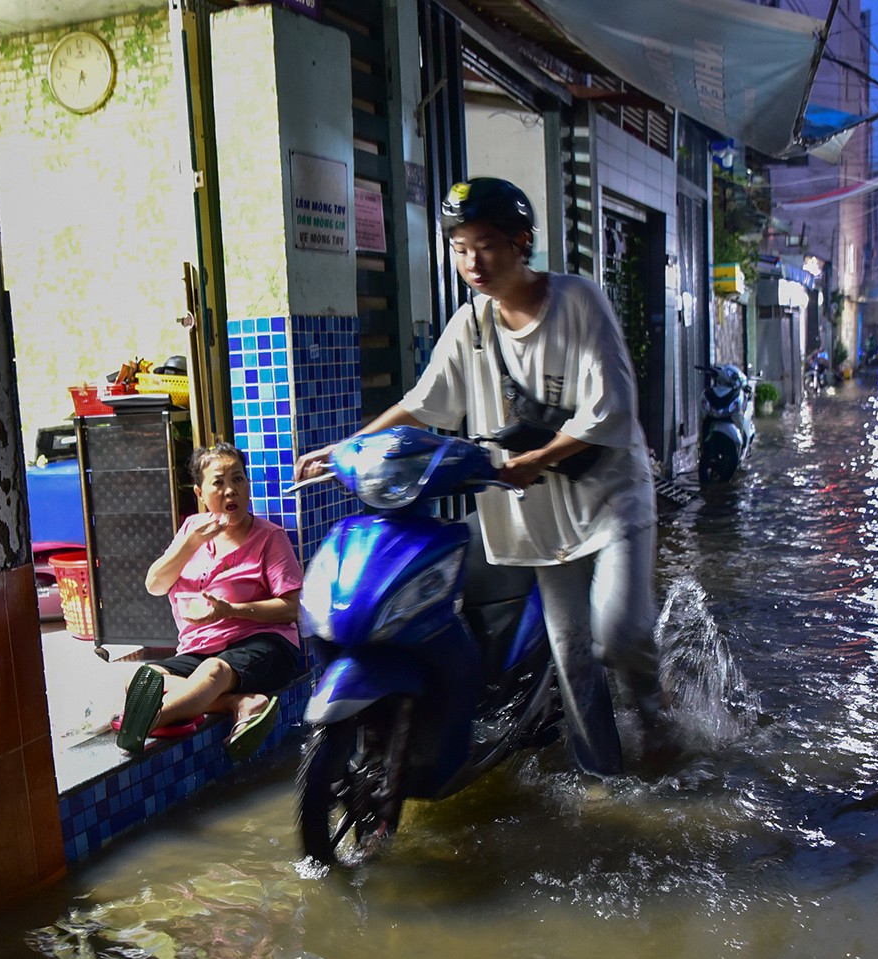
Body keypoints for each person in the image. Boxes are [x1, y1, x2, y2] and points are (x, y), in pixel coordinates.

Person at [297, 177, 664, 777]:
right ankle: (606, 776)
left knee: (617, 634)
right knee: (573, 657)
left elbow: (612, 408)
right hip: (538, 518)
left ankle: (656, 721)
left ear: (523, 242)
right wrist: (347, 445)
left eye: (487, 245)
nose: (473, 262)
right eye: (461, 247)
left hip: (609, 499)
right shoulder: (470, 326)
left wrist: (533, 461)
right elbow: (424, 403)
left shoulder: (579, 302)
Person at [116, 443, 303, 762]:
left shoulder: (269, 537)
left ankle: (145, 724)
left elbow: (292, 607)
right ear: (200, 492)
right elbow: (156, 584)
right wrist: (189, 544)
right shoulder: (191, 529)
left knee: (213, 671)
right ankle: (239, 703)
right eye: (218, 482)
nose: (231, 490)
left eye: (238, 479)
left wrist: (231, 611)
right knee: (140, 677)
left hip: (263, 645)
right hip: (199, 649)